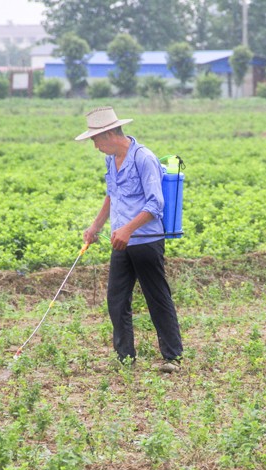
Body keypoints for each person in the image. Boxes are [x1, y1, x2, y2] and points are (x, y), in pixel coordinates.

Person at [76, 106, 183, 373]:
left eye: (96, 140)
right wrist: (95, 227)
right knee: (116, 298)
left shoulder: (144, 158)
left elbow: (155, 204)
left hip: (146, 240)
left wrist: (128, 229)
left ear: (111, 133)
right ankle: (125, 358)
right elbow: (112, 195)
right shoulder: (111, 160)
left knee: (156, 296)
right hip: (120, 242)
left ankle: (172, 357)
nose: (95, 146)